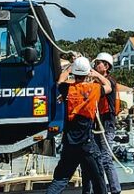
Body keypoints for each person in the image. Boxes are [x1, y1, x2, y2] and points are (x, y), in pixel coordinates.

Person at [44, 56, 109, 194]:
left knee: (61, 179)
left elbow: (59, 81)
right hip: (87, 143)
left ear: (74, 73)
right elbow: (108, 86)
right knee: (98, 177)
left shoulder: (67, 89)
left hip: (69, 143)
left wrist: (69, 68)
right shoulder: (95, 89)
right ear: (87, 73)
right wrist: (95, 73)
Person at [92, 52, 123, 194]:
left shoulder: (110, 82)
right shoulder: (96, 83)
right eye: (96, 63)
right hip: (97, 125)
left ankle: (115, 189)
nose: (96, 65)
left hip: (107, 124)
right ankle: (101, 190)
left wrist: (93, 73)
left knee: (106, 159)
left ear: (106, 66)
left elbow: (106, 87)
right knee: (97, 158)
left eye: (99, 63)